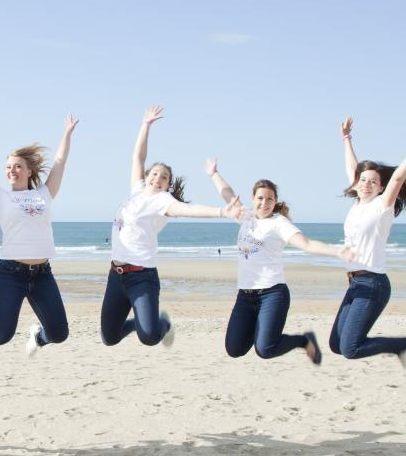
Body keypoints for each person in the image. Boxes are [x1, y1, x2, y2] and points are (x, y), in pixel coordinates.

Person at [101, 106, 241, 349]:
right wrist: (145, 125)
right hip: (116, 275)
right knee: (110, 337)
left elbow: (190, 210)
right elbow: (138, 158)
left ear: (167, 185)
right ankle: (141, 323)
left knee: (150, 337)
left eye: (163, 177)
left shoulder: (163, 201)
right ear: (148, 175)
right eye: (155, 174)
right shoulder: (136, 190)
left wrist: (222, 211)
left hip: (142, 277)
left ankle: (162, 324)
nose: (157, 178)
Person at [205, 158, 354, 364]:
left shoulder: (279, 223)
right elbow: (228, 193)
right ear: (253, 198)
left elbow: (306, 243)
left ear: (275, 201)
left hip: (272, 294)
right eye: (260, 198)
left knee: (264, 350)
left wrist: (337, 251)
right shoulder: (245, 216)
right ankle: (261, 330)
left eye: (269, 199)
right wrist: (214, 173)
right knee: (234, 349)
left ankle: (303, 340)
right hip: (245, 296)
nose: (264, 203)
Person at [0, 111, 78, 356]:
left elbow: (60, 161)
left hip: (42, 274)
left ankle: (38, 337)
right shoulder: (0, 197)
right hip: (11, 273)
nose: (12, 170)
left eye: (18, 166)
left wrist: (67, 133)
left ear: (29, 171)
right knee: (0, 336)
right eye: (8, 167)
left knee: (59, 333)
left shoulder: (45, 193)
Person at [329, 117, 406, 363]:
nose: (366, 184)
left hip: (373, 284)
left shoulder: (382, 206)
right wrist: (346, 138)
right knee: (336, 345)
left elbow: (397, 178)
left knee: (350, 349)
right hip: (355, 283)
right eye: (363, 180)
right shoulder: (357, 203)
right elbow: (353, 169)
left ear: (381, 187)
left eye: (373, 181)